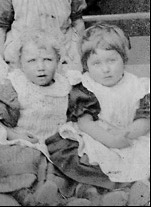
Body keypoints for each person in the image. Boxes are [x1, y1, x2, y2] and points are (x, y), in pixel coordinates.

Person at [46, 23, 150, 206]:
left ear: (124, 59)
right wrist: (110, 140)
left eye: (111, 60)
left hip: (129, 137)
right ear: (86, 65)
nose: (105, 69)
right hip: (96, 137)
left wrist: (128, 134)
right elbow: (85, 123)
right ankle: (93, 192)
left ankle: (132, 190)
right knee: (78, 156)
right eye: (96, 63)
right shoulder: (86, 87)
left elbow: (145, 118)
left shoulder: (138, 86)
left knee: (142, 156)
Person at [0, 32, 74, 206]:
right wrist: (14, 136)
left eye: (48, 60)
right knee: (23, 159)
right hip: (21, 140)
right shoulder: (15, 85)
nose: (40, 67)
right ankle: (26, 197)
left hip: (54, 143)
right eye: (32, 61)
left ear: (58, 61)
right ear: (20, 64)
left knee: (62, 165)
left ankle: (60, 198)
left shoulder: (65, 86)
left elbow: (73, 117)